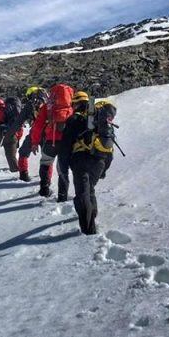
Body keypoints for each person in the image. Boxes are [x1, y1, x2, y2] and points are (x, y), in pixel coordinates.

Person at [58, 97, 117, 235]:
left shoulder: (75, 120)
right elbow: (109, 150)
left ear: (77, 104)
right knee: (90, 189)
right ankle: (92, 217)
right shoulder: (101, 124)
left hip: (80, 160)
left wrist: (63, 166)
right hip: (100, 161)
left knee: (82, 194)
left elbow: (65, 145)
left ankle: (88, 232)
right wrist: (103, 170)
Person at [29, 84, 77, 199]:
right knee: (62, 170)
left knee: (45, 163)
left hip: (51, 141)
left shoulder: (48, 107)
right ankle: (62, 196)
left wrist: (34, 142)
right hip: (66, 143)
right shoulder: (72, 107)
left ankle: (44, 189)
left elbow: (38, 126)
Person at [6, 86, 49, 182]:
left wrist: (9, 133)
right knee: (47, 157)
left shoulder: (30, 104)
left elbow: (19, 121)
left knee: (23, 152)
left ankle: (24, 175)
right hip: (48, 133)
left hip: (35, 132)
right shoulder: (49, 102)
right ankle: (47, 180)